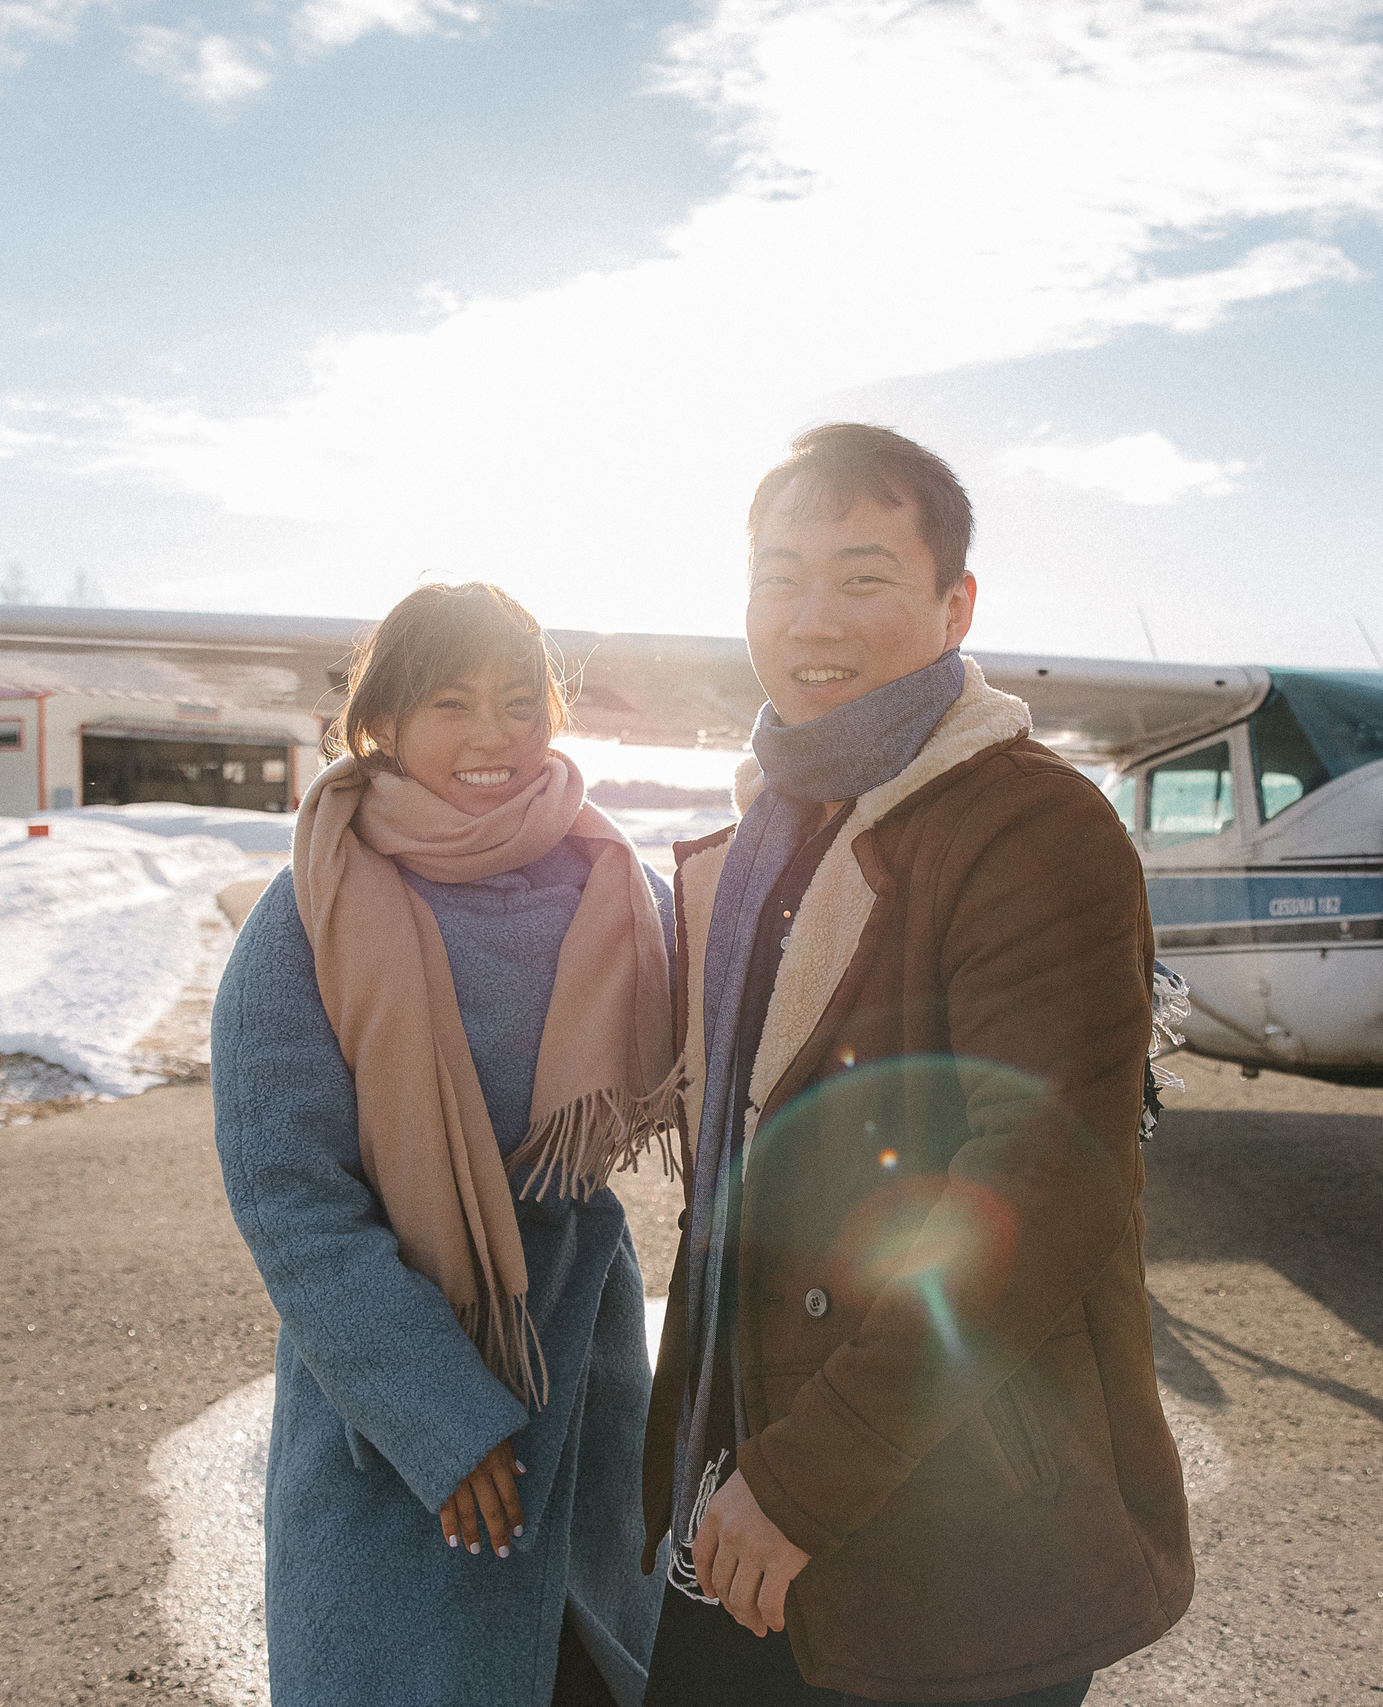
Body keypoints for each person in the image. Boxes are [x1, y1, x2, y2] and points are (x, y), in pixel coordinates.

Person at [640, 424, 1195, 1706]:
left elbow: (1043, 1193)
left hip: (941, 1513)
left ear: (955, 607)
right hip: (740, 1488)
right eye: (778, 576)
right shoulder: (771, 833)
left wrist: (798, 1482)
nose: (810, 616)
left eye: (861, 574)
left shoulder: (1029, 827)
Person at [212, 581, 674, 1707]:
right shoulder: (311, 911)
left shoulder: (618, 884)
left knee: (592, 1673)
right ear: (383, 724)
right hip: (402, 1393)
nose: (491, 737)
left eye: (520, 701)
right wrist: (438, 1417)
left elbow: (752, 1028)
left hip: (586, 1359)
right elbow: (291, 1198)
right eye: (451, 702)